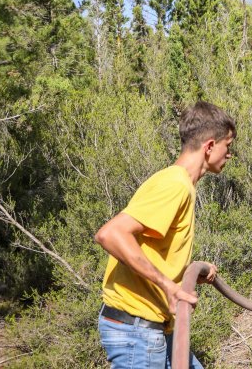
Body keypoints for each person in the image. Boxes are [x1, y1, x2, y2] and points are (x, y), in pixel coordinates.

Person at [94, 101, 236, 369]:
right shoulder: (175, 184)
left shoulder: (181, 185)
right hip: (136, 329)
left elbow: (151, 248)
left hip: (151, 327)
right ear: (209, 147)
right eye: (227, 146)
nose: (230, 154)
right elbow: (111, 234)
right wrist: (168, 286)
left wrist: (186, 277)